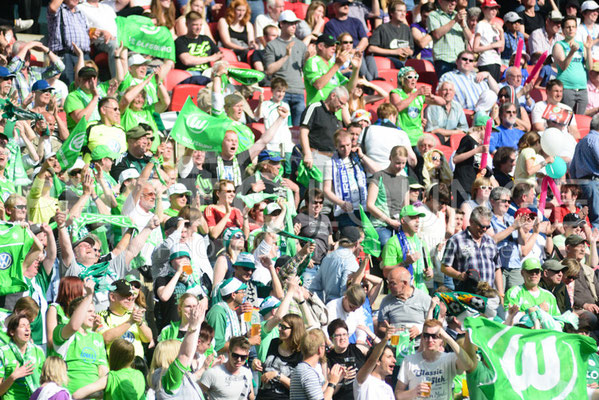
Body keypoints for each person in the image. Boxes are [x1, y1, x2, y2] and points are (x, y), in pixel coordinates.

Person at [53, 279, 109, 394]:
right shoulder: (62, 331)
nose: (94, 314)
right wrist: (89, 296)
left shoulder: (97, 338)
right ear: (76, 313)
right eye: (89, 311)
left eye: (93, 311)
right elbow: (74, 326)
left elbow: (103, 369)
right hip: (68, 395)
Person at [395, 319, 475, 399]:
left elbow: (468, 365)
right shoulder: (409, 361)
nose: (430, 340)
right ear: (422, 338)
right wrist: (414, 392)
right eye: (426, 336)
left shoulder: (449, 359)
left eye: (435, 336)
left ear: (442, 340)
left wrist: (448, 338)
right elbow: (398, 395)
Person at [442, 206, 504, 295]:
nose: (485, 230)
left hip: (489, 296)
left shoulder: (491, 241)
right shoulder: (456, 240)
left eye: (487, 227)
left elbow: (497, 268)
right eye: (482, 226)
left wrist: (501, 293)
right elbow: (444, 267)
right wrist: (459, 275)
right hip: (466, 295)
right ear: (471, 221)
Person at [323, 129, 378, 228]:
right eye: (342, 146)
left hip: (363, 209)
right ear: (336, 146)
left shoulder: (357, 158)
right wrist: (341, 203)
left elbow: (376, 171)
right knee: (352, 239)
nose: (346, 149)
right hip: (345, 211)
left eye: (348, 145)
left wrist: (362, 156)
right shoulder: (329, 164)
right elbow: (326, 190)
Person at [264, 11, 308, 126]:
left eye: (295, 23)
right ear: (281, 24)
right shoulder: (272, 45)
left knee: (298, 129)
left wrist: (308, 58)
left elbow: (305, 69)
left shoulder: (301, 45)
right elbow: (269, 70)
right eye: (290, 23)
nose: (294, 26)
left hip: (298, 91)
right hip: (281, 92)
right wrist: (286, 56)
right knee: (280, 128)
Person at [381, 205, 434, 291]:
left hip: (421, 293)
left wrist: (429, 274)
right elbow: (386, 273)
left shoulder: (421, 242)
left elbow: (429, 274)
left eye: (418, 218)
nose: (417, 221)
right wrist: (405, 263)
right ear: (403, 220)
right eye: (413, 218)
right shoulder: (393, 242)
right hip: (401, 296)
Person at [72, 338, 146, 400]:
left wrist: (98, 395)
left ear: (113, 356)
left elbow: (76, 395)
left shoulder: (112, 377)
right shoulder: (139, 375)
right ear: (132, 358)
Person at [253, 313, 305, 399]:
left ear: (295, 330)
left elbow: (299, 388)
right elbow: (268, 368)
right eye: (279, 325)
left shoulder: (301, 353)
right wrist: (257, 363)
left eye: (284, 327)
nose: (279, 329)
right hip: (262, 396)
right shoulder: (274, 343)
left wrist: (278, 375)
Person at [366, 145, 410, 246]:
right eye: (397, 163)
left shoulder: (405, 180)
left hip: (398, 225)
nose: (400, 166)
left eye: (403, 163)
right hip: (381, 225)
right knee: (388, 245)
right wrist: (389, 221)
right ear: (390, 158)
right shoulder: (379, 176)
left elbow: (405, 208)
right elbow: (370, 205)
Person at [390, 66, 446, 146]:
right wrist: (415, 94)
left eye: (415, 77)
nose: (413, 80)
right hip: (402, 136)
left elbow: (442, 102)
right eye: (410, 77)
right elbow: (398, 107)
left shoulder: (419, 95)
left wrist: (431, 96)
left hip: (418, 137)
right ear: (402, 79)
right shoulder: (396, 93)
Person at [97, 279, 152, 358]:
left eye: (131, 295)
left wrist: (140, 322)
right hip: (116, 366)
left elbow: (148, 339)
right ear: (112, 297)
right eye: (125, 295)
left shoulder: (133, 315)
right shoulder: (101, 316)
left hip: (137, 366)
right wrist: (130, 322)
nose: (130, 298)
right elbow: (105, 338)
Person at [323, 0, 377, 81]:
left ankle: (375, 82)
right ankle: (370, 82)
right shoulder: (330, 25)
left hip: (359, 52)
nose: (346, 6)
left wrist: (356, 50)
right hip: (345, 56)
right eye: (343, 4)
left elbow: (365, 40)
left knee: (370, 57)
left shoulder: (356, 21)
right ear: (335, 6)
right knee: (358, 59)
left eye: (347, 4)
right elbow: (333, 44)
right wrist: (351, 52)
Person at [303, 34, 361, 106]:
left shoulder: (332, 64)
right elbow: (318, 85)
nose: (334, 48)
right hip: (318, 110)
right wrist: (337, 65)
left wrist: (356, 69)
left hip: (334, 112)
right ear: (320, 46)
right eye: (330, 45)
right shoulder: (312, 61)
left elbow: (350, 89)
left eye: (335, 45)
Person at [299, 86, 348, 171]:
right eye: (341, 102)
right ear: (333, 96)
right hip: (316, 157)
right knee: (316, 184)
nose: (342, 106)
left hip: (332, 160)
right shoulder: (315, 108)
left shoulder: (335, 117)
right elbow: (303, 131)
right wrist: (307, 153)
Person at [376, 267, 431, 339]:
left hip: (419, 344)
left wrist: (419, 329)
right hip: (395, 343)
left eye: (392, 283)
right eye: (388, 283)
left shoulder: (424, 298)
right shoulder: (386, 301)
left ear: (404, 283)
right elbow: (381, 327)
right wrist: (387, 331)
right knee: (386, 351)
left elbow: (433, 324)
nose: (388, 287)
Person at [310, 226, 362, 303]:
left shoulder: (327, 257)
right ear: (357, 243)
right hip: (340, 310)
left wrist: (322, 307)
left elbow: (315, 287)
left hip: (327, 306)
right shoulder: (351, 262)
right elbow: (346, 293)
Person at [0, 313, 45, 400]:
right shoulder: (2, 353)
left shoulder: (38, 351)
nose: (27, 329)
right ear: (12, 332)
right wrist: (13, 377)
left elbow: (45, 381)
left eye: (28, 325)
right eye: (22, 326)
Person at [553, 15, 593, 114]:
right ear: (563, 30)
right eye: (568, 27)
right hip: (566, 88)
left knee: (580, 120)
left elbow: (589, 67)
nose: (571, 29)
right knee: (566, 121)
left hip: (582, 88)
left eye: (573, 26)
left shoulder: (580, 45)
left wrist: (588, 49)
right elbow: (563, 66)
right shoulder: (559, 45)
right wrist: (571, 52)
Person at [289, 329, 343, 400]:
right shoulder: (308, 372)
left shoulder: (301, 369)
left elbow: (318, 394)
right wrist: (332, 383)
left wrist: (331, 380)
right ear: (320, 349)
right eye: (324, 347)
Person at [47, 0, 90, 84]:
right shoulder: (60, 10)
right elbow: (52, 7)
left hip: (84, 55)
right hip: (65, 55)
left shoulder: (80, 12)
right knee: (68, 83)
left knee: (85, 85)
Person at [427, 0, 471, 77]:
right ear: (440, 1)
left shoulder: (458, 15)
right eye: (449, 1)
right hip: (444, 60)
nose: (453, 3)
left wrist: (463, 25)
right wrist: (454, 20)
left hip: (460, 61)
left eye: (455, 1)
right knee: (446, 87)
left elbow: (470, 38)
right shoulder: (434, 15)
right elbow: (437, 34)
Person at [353, 322, 395, 400]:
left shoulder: (388, 389)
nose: (394, 360)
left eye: (393, 357)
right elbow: (371, 360)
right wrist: (385, 338)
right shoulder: (363, 380)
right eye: (389, 357)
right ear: (378, 361)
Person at [326, 318, 367, 399]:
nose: (342, 338)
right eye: (338, 335)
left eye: (345, 334)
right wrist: (342, 380)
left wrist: (372, 335)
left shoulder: (358, 349)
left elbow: (379, 354)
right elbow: (330, 391)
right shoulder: (328, 359)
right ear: (331, 338)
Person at [571, 113, 599, 229]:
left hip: (582, 183)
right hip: (593, 183)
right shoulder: (595, 139)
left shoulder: (581, 142)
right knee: (596, 218)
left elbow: (572, 168)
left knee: (586, 216)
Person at [368, 0, 414, 69]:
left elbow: (412, 50)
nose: (403, 14)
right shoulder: (382, 28)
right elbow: (371, 49)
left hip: (405, 61)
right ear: (391, 13)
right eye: (399, 11)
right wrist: (394, 52)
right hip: (388, 62)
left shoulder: (406, 29)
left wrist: (408, 52)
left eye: (404, 11)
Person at [175, 11, 222, 75]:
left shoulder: (206, 39)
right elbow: (187, 60)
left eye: (200, 25)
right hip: (189, 73)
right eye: (195, 25)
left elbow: (219, 55)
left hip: (207, 72)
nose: (198, 28)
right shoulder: (180, 41)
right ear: (187, 24)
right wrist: (211, 58)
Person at [424, 81, 469, 147]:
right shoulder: (433, 106)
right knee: (440, 137)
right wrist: (455, 133)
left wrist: (449, 138)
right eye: (445, 90)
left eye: (450, 90)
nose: (448, 92)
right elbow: (432, 130)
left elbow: (464, 130)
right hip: (437, 140)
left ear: (454, 93)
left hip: (453, 140)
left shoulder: (458, 106)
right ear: (438, 92)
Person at [472, 0, 504, 81]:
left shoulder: (495, 26)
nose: (494, 11)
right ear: (484, 9)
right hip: (486, 61)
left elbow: (501, 48)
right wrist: (492, 46)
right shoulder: (480, 25)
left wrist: (501, 32)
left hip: (497, 61)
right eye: (491, 8)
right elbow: (475, 48)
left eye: (496, 9)